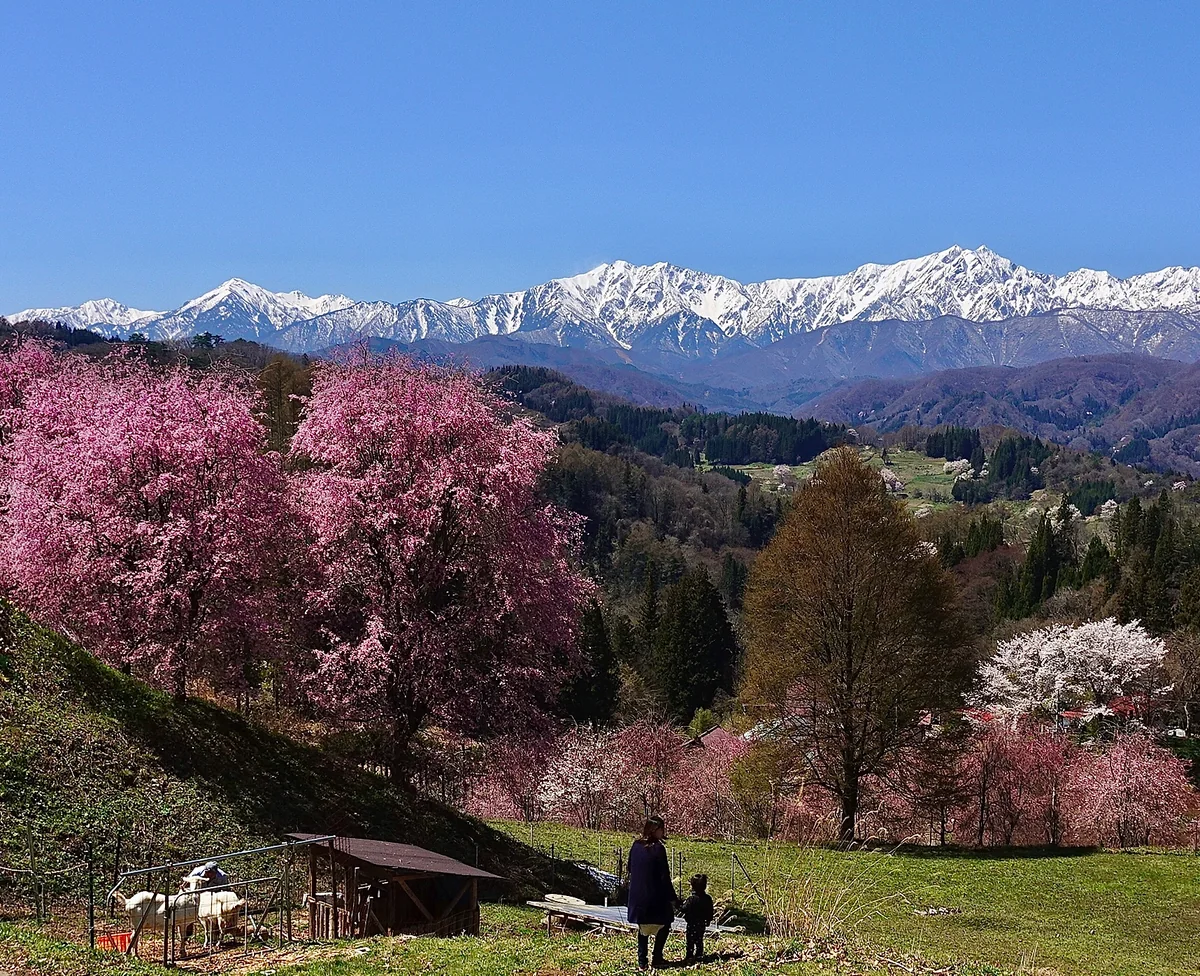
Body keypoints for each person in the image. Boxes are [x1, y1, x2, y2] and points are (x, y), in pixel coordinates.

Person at [626, 815, 678, 970]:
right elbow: (664, 877)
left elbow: (629, 868)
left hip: (637, 897)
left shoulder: (636, 845)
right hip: (655, 897)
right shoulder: (658, 849)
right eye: (661, 829)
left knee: (643, 930)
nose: (663, 832)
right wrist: (673, 898)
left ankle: (642, 961)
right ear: (655, 830)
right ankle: (657, 956)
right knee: (665, 923)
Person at [681, 874, 714, 962]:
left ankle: (689, 955)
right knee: (699, 939)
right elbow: (710, 911)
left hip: (691, 923)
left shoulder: (691, 899)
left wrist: (678, 904)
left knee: (690, 940)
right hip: (701, 923)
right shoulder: (707, 899)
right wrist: (709, 920)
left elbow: (684, 909)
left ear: (692, 886)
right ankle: (699, 954)